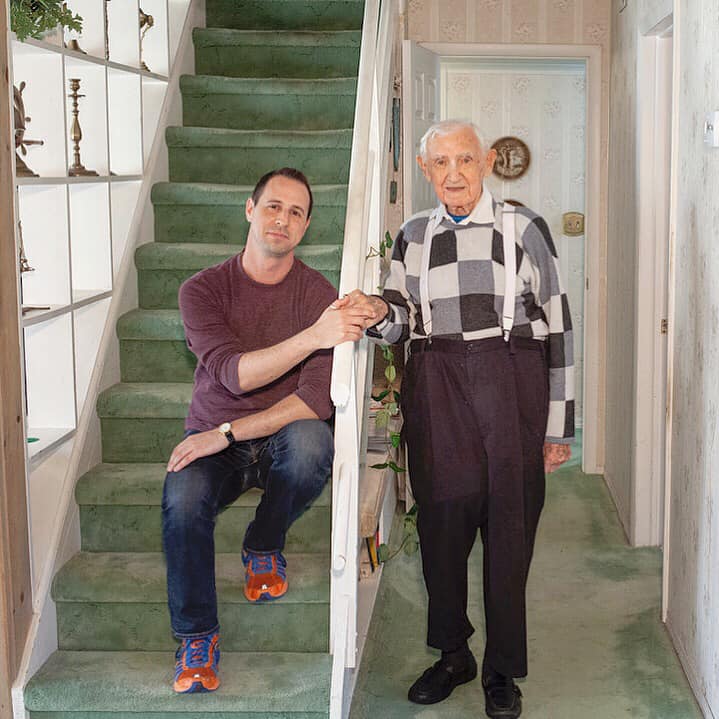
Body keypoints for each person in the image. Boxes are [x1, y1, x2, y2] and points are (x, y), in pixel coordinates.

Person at [348, 120, 574, 719]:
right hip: (436, 384)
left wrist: (557, 427)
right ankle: (453, 654)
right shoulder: (413, 234)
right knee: (442, 532)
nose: (454, 174)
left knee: (509, 533)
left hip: (512, 383)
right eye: (441, 162)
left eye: (465, 160)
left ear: (487, 162)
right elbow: (399, 318)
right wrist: (375, 310)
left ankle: (502, 670)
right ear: (425, 170)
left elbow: (558, 326)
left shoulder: (523, 227)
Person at [161, 167, 369, 694]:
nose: (283, 219)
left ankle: (263, 543)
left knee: (312, 445)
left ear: (305, 228)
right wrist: (314, 336)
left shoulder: (318, 293)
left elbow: (316, 400)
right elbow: (234, 373)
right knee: (182, 503)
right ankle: (196, 638)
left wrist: (229, 432)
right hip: (213, 438)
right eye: (274, 206)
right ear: (250, 210)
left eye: (296, 212)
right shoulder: (202, 290)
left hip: (268, 434)